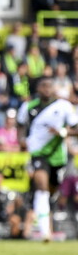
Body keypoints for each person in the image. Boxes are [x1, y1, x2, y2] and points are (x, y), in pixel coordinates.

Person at [16, 76, 78, 241]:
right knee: (41, 186)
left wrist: (63, 132)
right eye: (44, 86)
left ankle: (45, 220)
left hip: (58, 156)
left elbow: (76, 129)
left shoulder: (63, 106)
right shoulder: (28, 107)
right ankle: (45, 232)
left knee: (51, 192)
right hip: (38, 153)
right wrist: (22, 141)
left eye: (50, 86)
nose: (47, 89)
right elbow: (21, 126)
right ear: (38, 89)